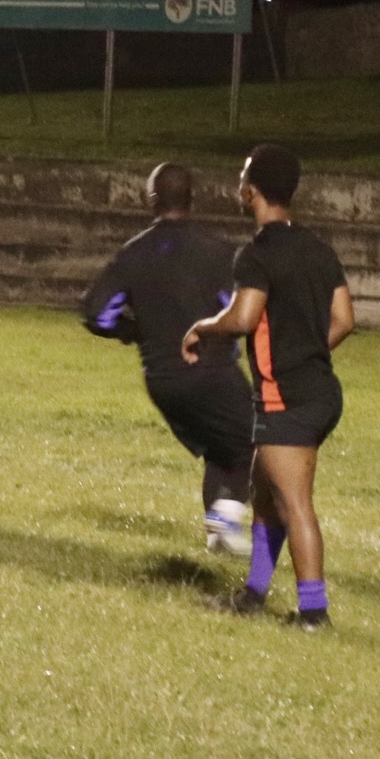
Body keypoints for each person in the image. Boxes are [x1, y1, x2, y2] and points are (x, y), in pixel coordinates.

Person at [185, 144, 355, 630]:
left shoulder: (257, 254)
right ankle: (254, 593)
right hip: (318, 391)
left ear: (252, 191)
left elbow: (243, 318)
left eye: (242, 177)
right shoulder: (320, 249)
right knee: (264, 492)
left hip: (289, 397)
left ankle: (314, 612)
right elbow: (344, 319)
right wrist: (306, 350)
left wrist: (200, 327)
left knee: (294, 502)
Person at [78, 162, 256, 558]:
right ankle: (226, 518)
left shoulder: (134, 252)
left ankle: (218, 537)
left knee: (220, 447)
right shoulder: (218, 250)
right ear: (191, 198)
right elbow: (239, 313)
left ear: (151, 198)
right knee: (257, 441)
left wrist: (132, 332)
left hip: (161, 378)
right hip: (212, 371)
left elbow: (95, 312)